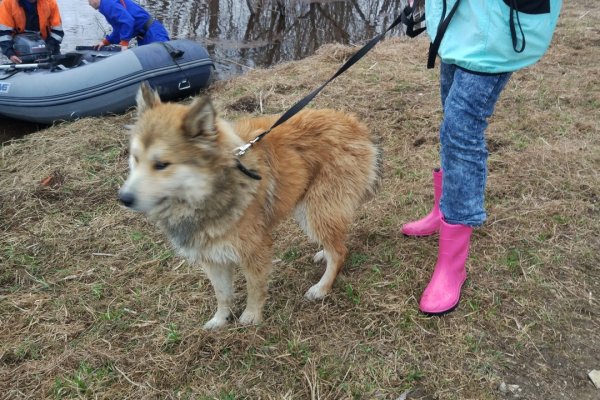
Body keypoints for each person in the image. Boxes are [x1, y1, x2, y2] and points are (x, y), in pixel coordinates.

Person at [401, 0, 562, 315]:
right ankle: (443, 209)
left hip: (497, 26)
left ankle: (452, 264)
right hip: (458, 21)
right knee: (451, 114)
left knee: (460, 130)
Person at [88, 0, 169, 51]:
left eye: (89, 0)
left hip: (153, 33)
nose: (89, 3)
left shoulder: (107, 3)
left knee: (164, 56)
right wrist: (106, 41)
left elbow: (128, 21)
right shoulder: (107, 4)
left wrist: (124, 42)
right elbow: (120, 28)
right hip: (144, 35)